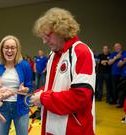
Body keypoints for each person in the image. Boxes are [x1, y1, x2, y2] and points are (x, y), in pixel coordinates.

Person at [30, 7, 96, 135]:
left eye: (47, 36)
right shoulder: (53, 54)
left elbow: (80, 97)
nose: (44, 41)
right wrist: (36, 94)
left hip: (74, 129)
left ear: (61, 30)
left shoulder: (81, 52)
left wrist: (43, 98)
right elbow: (53, 87)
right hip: (51, 126)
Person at [0, 35, 33, 135]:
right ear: (2, 49)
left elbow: (30, 87)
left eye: (13, 48)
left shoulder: (25, 65)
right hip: (2, 107)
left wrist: (25, 90)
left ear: (17, 50)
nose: (9, 51)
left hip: (21, 108)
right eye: (6, 47)